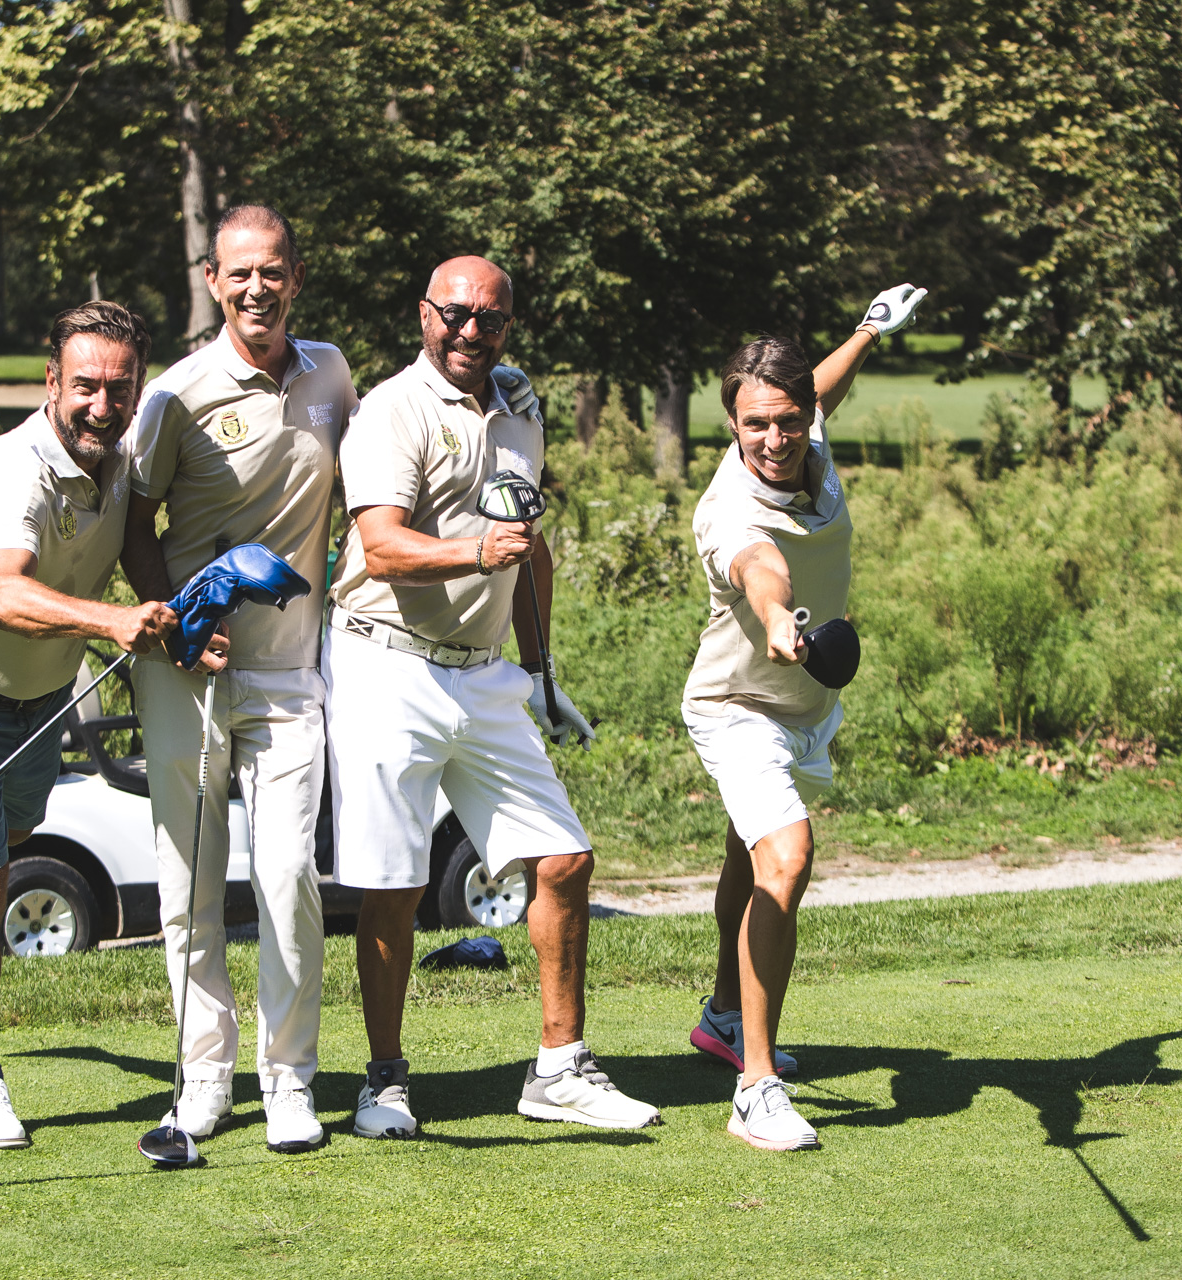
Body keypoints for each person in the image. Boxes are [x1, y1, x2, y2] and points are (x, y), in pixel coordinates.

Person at [325, 254, 659, 1137]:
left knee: (564, 859)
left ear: (510, 326)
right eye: (456, 314)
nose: (471, 331)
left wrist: (543, 672)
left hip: (483, 673)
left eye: (491, 319)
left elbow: (531, 551)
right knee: (394, 885)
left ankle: (559, 1071)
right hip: (385, 664)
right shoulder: (391, 411)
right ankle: (384, 1083)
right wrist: (480, 552)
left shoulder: (520, 410)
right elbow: (383, 548)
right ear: (424, 314)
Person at [0, 300, 193, 1150]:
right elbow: (3, 594)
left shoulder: (121, 459)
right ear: (51, 381)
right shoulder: (12, 473)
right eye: (85, 385)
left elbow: (133, 540)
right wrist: (113, 621)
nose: (103, 404)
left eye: (120, 388)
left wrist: (174, 616)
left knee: (10, 832)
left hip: (38, 704)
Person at [119, 205, 356, 1154]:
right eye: (239, 273)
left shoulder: (331, 374)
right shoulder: (173, 395)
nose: (257, 288)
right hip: (190, 669)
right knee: (190, 887)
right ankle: (205, 1080)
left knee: (290, 874)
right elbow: (136, 523)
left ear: (296, 275)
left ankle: (289, 1078)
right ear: (213, 281)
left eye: (273, 270)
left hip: (291, 671)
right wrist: (175, 625)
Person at [683, 284, 928, 1152]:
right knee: (785, 860)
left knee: (747, 858)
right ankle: (756, 1088)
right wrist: (779, 617)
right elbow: (762, 568)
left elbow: (823, 387)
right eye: (755, 426)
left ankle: (723, 1016)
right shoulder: (731, 510)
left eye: (788, 421)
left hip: (805, 709)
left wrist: (868, 329)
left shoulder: (804, 430)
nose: (775, 441)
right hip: (738, 704)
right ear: (732, 423)